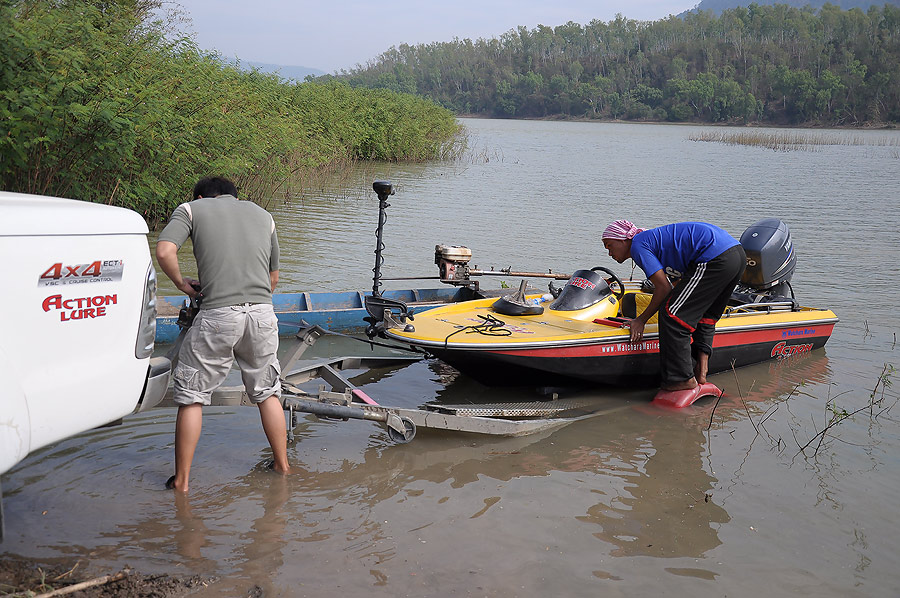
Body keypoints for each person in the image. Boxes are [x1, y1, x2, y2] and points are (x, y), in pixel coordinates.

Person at [156, 176, 289, 492]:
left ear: (202, 196)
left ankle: (183, 482)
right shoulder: (263, 215)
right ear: (234, 196)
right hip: (262, 315)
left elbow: (164, 252)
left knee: (191, 397)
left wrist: (182, 284)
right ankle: (283, 467)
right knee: (268, 391)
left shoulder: (191, 209)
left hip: (218, 315)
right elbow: (273, 278)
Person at [601, 220, 746, 392]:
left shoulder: (638, 245)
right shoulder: (653, 241)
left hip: (715, 256)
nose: (609, 253)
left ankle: (682, 380)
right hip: (736, 254)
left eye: (609, 245)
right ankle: (701, 372)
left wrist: (640, 320)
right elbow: (677, 284)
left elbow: (663, 288)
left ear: (624, 239)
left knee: (672, 315)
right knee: (705, 316)